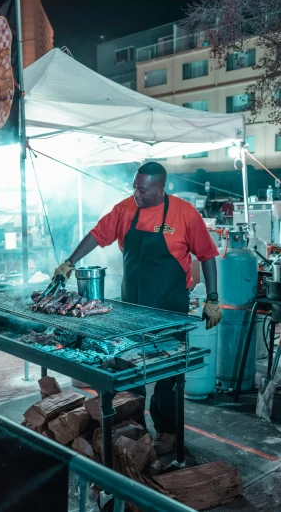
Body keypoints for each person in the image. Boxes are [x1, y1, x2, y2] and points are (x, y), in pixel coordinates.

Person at [54, 162, 222, 454]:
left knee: (168, 374)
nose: (136, 193)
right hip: (131, 306)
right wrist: (70, 261)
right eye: (134, 186)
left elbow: (207, 255)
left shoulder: (184, 213)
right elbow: (97, 235)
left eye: (142, 189)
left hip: (170, 308)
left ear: (160, 188)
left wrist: (213, 297)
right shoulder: (125, 209)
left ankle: (169, 433)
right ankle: (132, 428)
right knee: (129, 369)